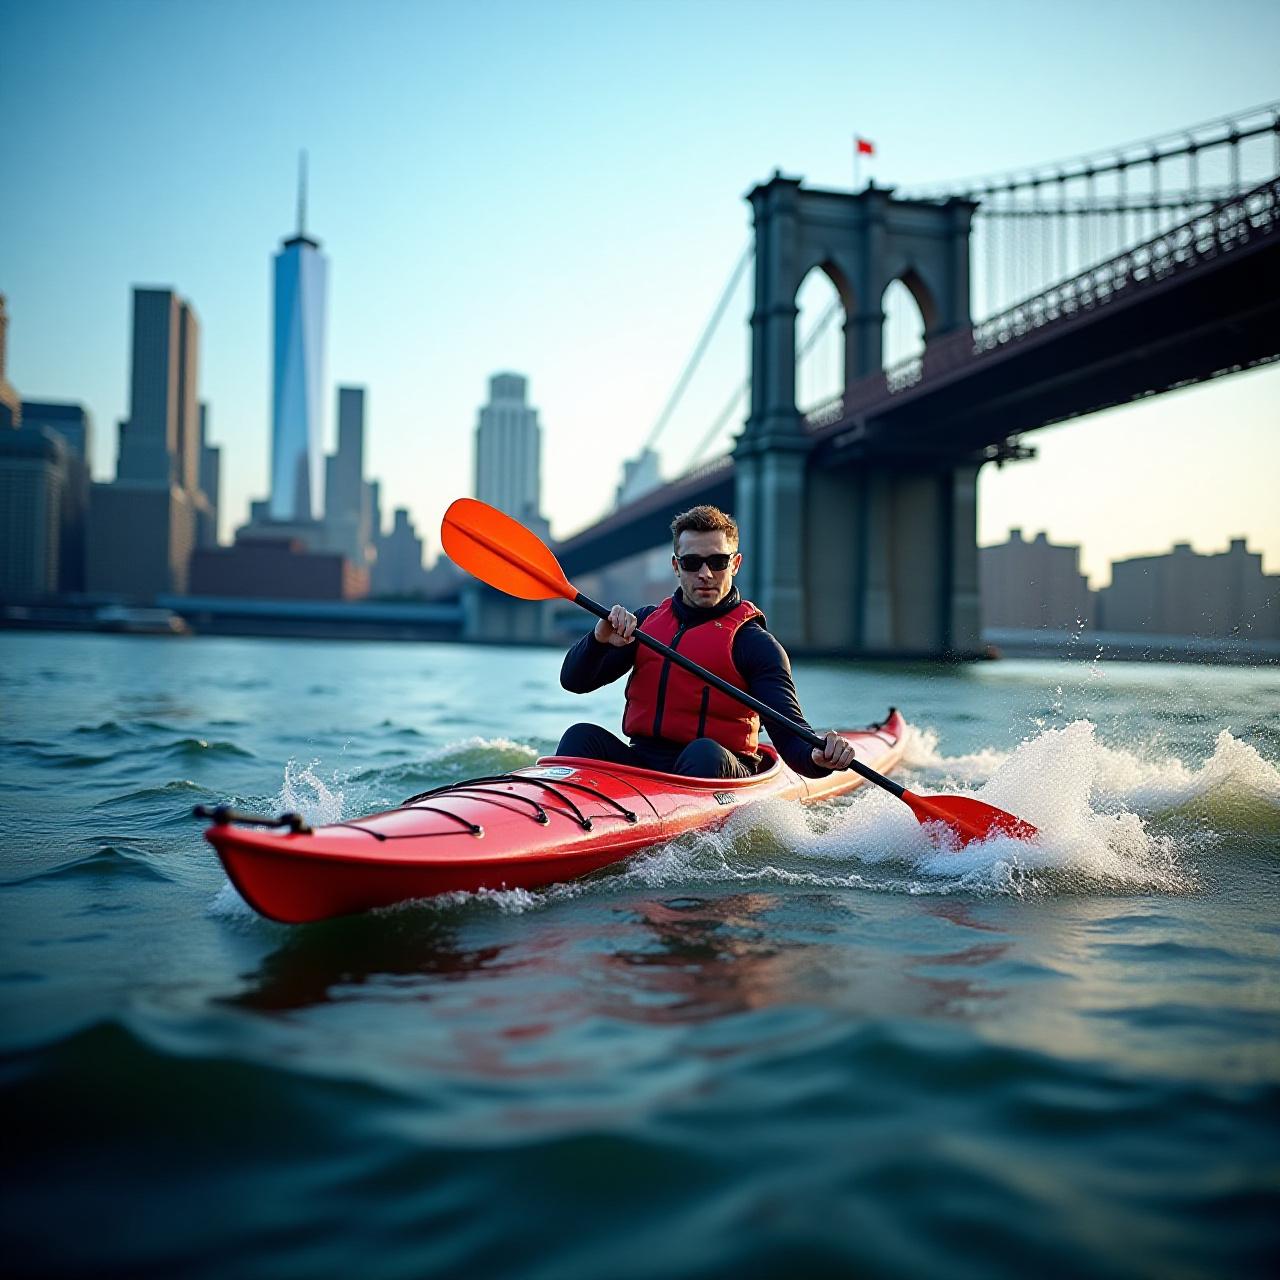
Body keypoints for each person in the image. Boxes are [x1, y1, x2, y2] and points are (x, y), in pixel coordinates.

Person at [557, 504, 857, 779]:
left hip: (719, 767)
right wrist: (598, 641)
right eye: (692, 563)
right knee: (580, 736)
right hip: (645, 763)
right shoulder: (644, 624)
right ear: (676, 567)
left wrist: (817, 755)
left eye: (717, 561)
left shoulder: (754, 644)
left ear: (735, 564)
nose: (705, 574)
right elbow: (573, 681)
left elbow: (791, 737)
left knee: (703, 753)